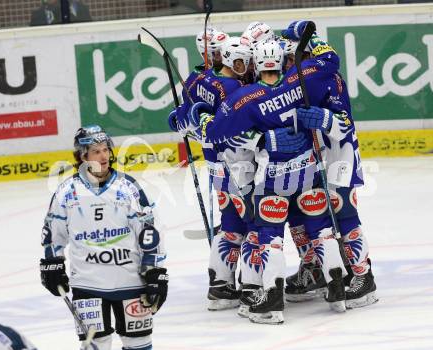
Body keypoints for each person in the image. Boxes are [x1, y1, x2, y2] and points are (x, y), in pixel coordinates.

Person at [189, 40, 349, 323]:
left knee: (269, 235)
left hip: (273, 178)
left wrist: (198, 116)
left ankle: (272, 301)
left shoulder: (246, 97)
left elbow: (214, 133)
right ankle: (337, 288)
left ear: (258, 64)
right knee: (322, 229)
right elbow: (329, 63)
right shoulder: (301, 82)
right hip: (308, 171)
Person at [39, 125, 168, 350]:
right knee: (95, 344)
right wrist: (52, 264)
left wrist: (155, 271)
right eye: (96, 151)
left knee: (139, 343)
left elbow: (149, 231)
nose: (104, 155)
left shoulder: (128, 187)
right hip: (87, 284)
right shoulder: (66, 192)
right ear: (83, 156)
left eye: (106, 149)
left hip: (131, 281)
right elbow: (53, 233)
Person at [279, 20, 378, 309]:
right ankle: (315, 270)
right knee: (302, 212)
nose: (287, 63)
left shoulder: (327, 78)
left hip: (340, 158)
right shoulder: (292, 81)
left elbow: (344, 123)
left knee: (343, 213)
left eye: (290, 57)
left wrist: (325, 120)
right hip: (310, 160)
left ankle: (363, 275)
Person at [169, 34, 256, 312]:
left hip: (215, 164)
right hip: (239, 163)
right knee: (255, 223)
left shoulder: (196, 79)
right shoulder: (233, 88)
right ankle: (254, 285)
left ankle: (220, 284)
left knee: (230, 223)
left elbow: (183, 116)